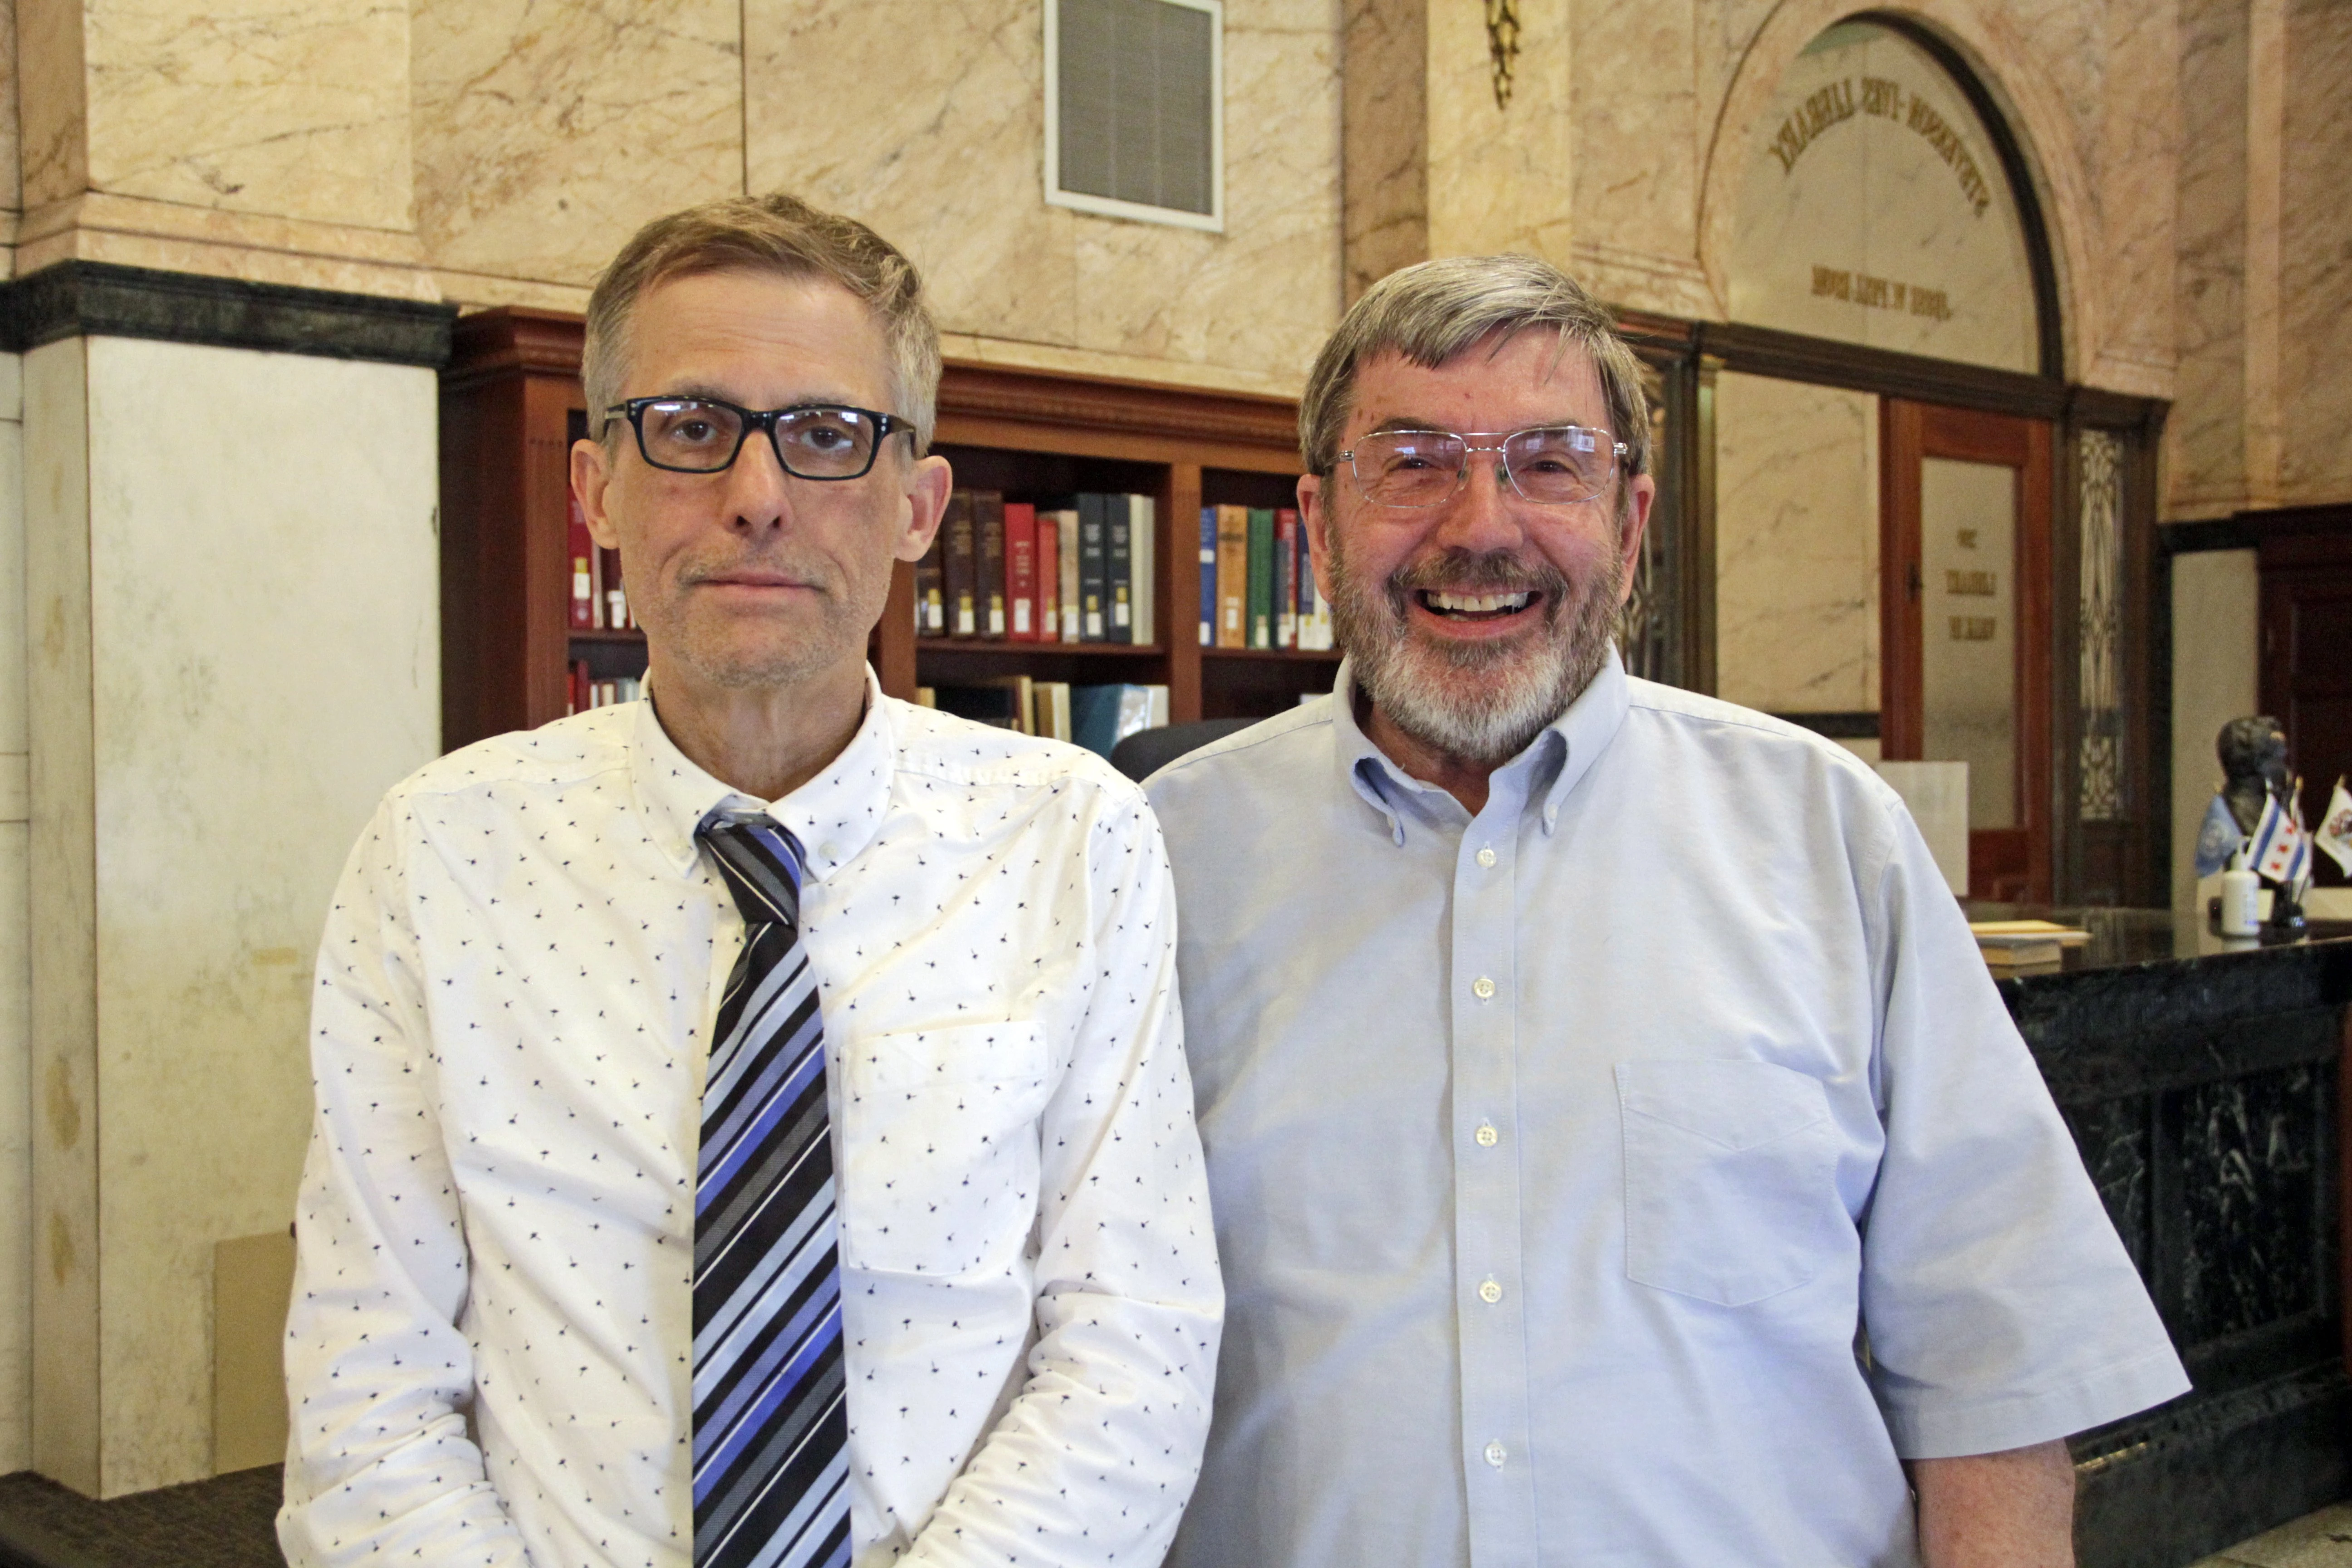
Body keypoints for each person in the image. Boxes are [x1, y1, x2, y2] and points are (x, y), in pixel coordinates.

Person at [1144, 255, 2186, 1568]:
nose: (1482, 524)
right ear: (1317, 524)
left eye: (1550, 463)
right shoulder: (1160, 859)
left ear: (1631, 522)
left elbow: (1996, 1368)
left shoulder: (1827, 837)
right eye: (1413, 464)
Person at [279, 193, 1221, 1568]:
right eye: (690, 427)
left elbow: (1133, 1344)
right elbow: (365, 1378)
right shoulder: (437, 853)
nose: (759, 495)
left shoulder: (1077, 837)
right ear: (596, 488)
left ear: (918, 507)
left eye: (828, 435)